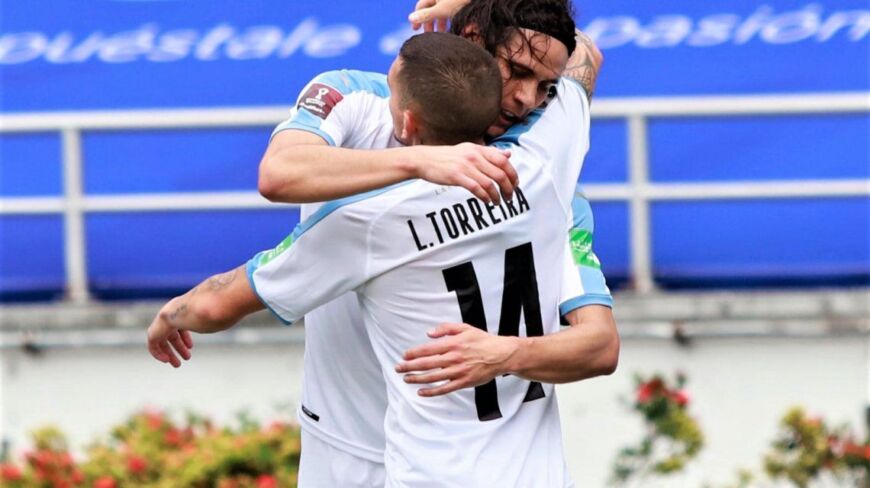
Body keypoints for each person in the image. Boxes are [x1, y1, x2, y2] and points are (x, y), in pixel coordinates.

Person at [148, 31, 614, 486]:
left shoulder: (366, 221)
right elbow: (583, 55)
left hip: (419, 458)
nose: (527, 98)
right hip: (355, 437)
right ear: (476, 44)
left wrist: (174, 314)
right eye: (515, 71)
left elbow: (219, 301)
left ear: (409, 125)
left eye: (544, 85)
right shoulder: (546, 169)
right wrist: (420, 162)